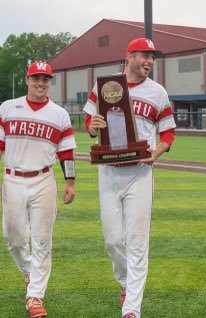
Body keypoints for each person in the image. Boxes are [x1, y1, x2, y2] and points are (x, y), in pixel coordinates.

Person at [83, 37, 176, 318]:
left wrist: (157, 153)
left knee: (136, 240)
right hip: (109, 170)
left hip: (140, 171)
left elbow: (168, 131)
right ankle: (125, 283)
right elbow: (89, 123)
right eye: (145, 55)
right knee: (113, 240)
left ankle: (132, 307)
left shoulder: (158, 92)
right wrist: (92, 126)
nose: (150, 61)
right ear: (130, 56)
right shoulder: (105, 86)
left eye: (153, 57)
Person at [0, 61, 76, 317]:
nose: (41, 83)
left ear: (50, 82)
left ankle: (35, 297)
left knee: (42, 240)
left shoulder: (59, 114)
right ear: (27, 80)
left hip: (44, 180)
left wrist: (70, 182)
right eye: (37, 78)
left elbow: (67, 153)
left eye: (46, 79)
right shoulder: (8, 108)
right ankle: (29, 272)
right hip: (13, 180)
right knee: (13, 237)